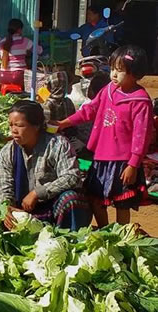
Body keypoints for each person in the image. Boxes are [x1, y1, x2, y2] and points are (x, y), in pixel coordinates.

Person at [58, 45, 153, 226]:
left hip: (124, 161)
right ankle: (104, 230)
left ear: (135, 72)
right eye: (112, 69)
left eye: (119, 70)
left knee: (122, 203)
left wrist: (133, 164)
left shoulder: (140, 100)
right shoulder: (108, 90)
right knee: (95, 198)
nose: (114, 75)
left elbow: (142, 135)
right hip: (101, 156)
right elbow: (89, 110)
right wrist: (65, 123)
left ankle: (121, 236)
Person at [0, 100, 91, 231]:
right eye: (11, 125)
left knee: (71, 199)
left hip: (52, 205)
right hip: (22, 208)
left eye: (19, 125)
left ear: (36, 126)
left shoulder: (58, 144)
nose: (13, 130)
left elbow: (72, 176)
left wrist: (38, 193)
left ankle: (71, 239)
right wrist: (7, 206)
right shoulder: (8, 152)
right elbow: (4, 184)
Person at [0, 19, 41, 88]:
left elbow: (1, 56)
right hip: (17, 77)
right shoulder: (24, 41)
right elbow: (39, 50)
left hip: (2, 76)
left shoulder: (2, 42)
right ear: (19, 30)